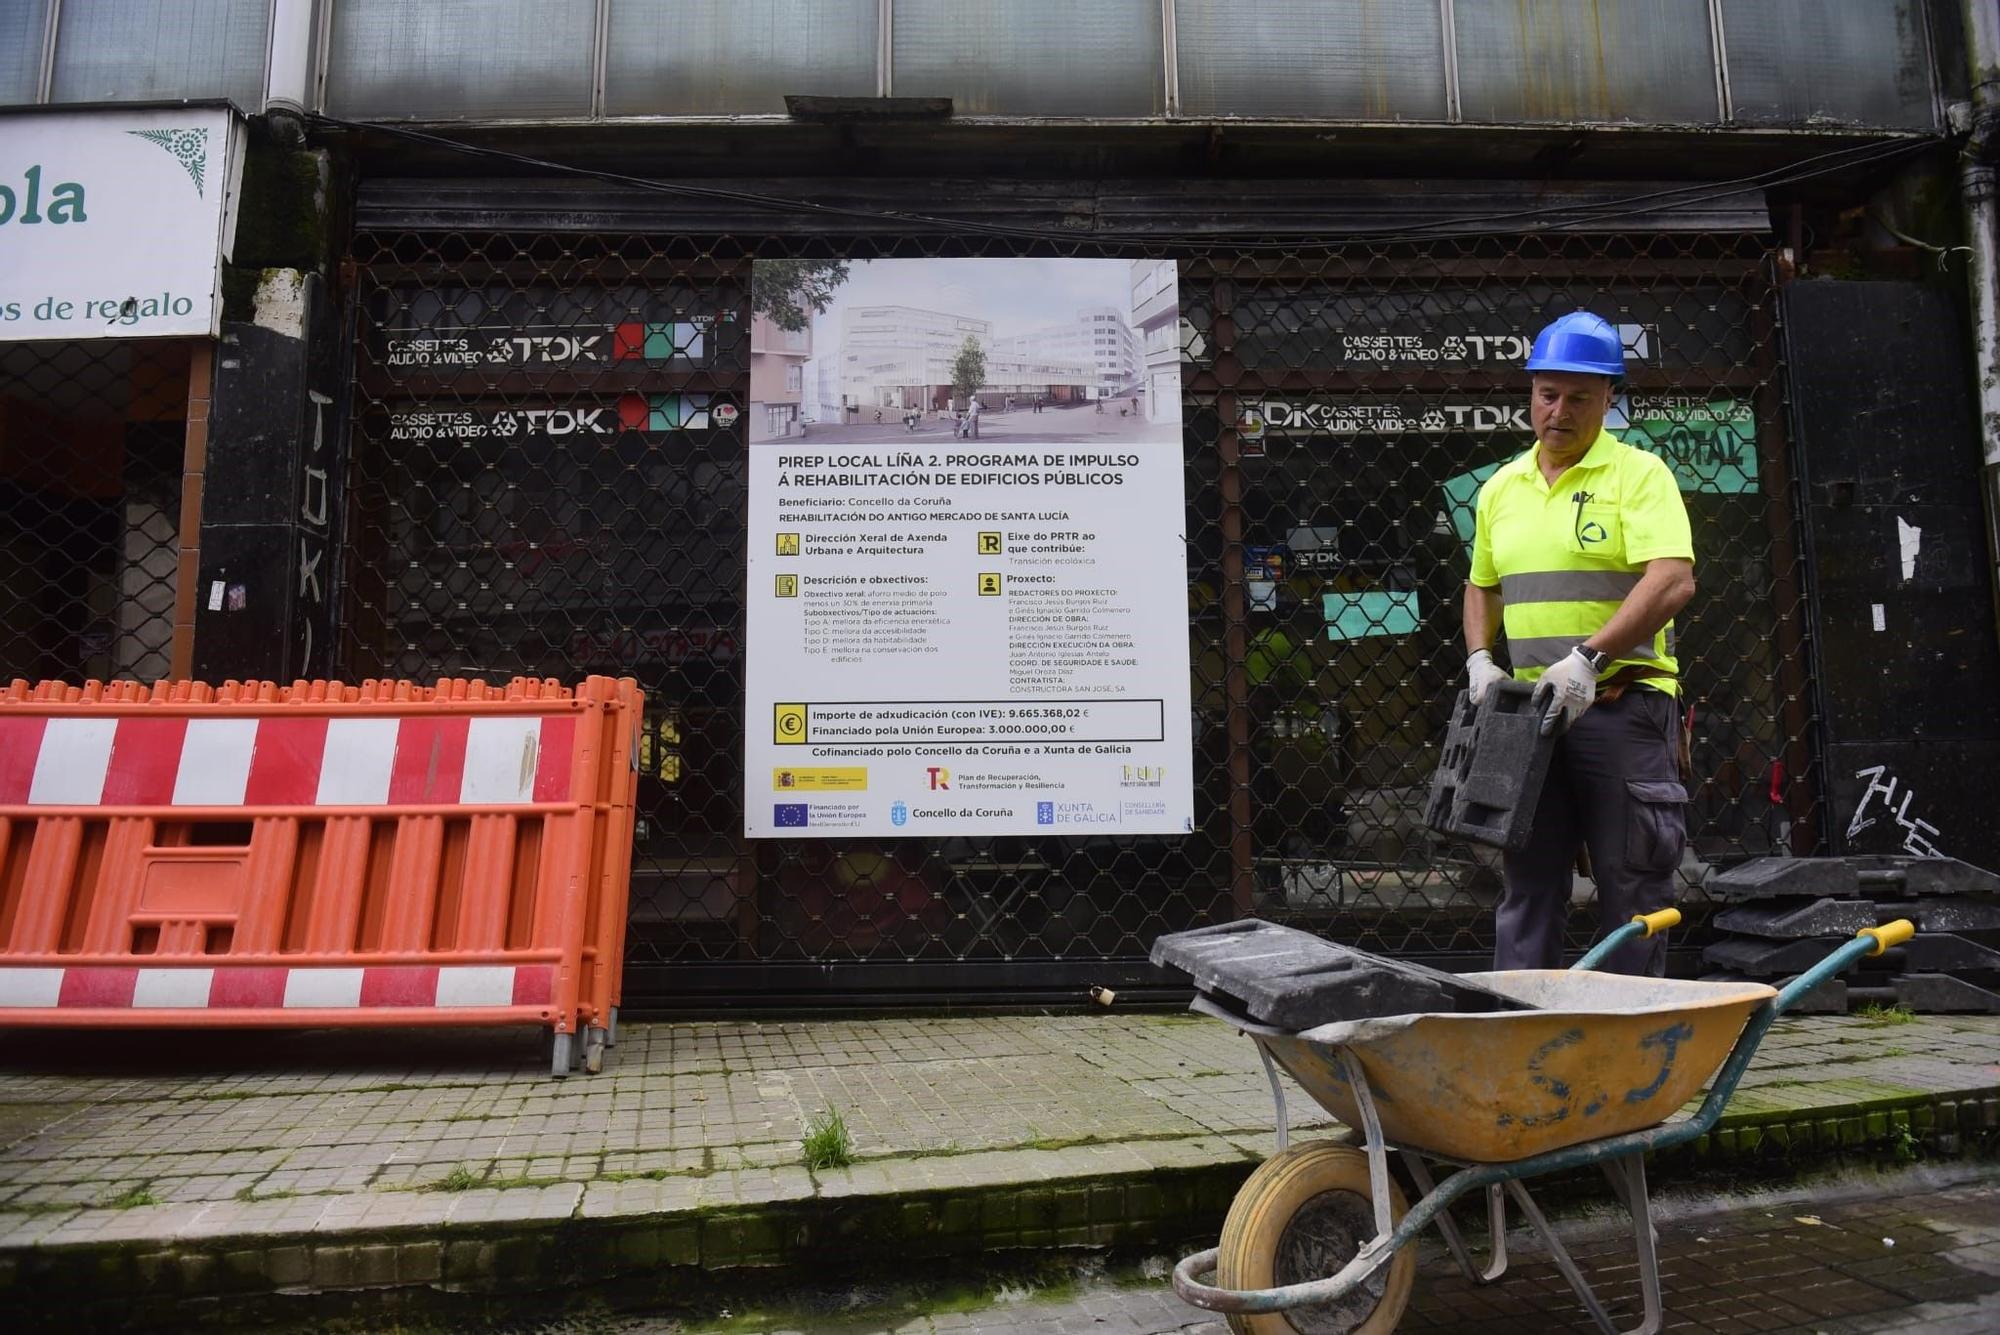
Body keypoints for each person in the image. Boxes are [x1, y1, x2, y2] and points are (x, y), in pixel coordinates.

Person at [1461, 311, 1696, 977]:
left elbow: (1673, 581)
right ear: (1531, 392)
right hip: (1531, 716)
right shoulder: (1501, 487)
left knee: (1633, 888)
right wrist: (1481, 658)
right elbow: (1480, 584)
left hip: (1622, 709)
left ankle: (1627, 1054)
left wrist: (1589, 658)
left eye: (1580, 397)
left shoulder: (1638, 474)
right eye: (1547, 394)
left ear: (1609, 398)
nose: (1559, 411)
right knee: (1527, 887)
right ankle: (1520, 1038)